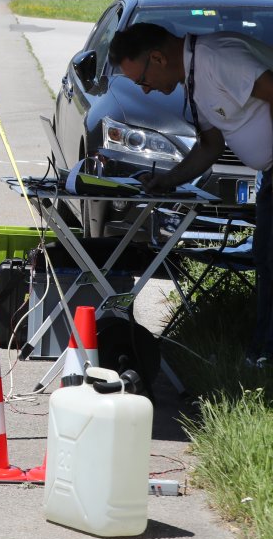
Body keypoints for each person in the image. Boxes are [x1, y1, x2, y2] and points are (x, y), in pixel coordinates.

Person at [109, 21, 273, 368]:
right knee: (265, 258)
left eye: (142, 80)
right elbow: (210, 145)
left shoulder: (217, 57)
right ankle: (261, 353)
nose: (146, 91)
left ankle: (264, 355)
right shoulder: (194, 78)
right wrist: (167, 181)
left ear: (158, 58)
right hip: (268, 173)